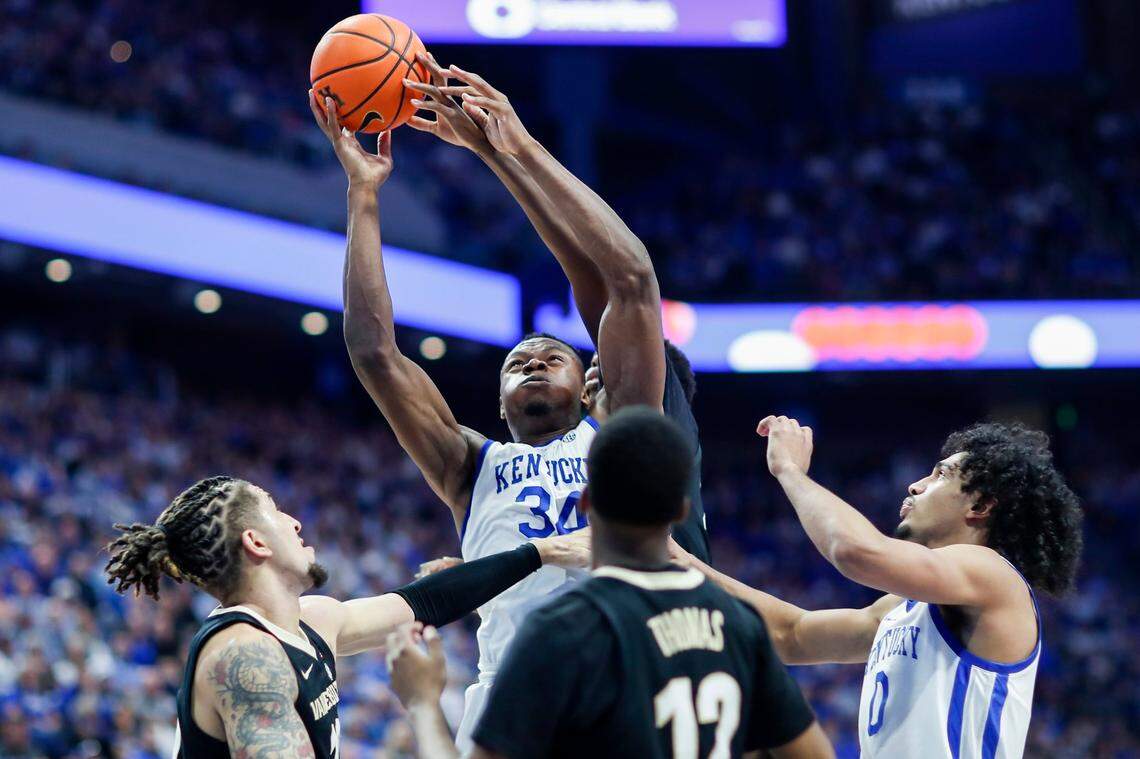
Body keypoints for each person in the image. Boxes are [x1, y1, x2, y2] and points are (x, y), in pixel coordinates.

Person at [310, 51, 670, 747]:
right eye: (517, 363)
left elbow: (630, 278)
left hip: (620, 684)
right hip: (509, 703)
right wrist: (363, 194)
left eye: (553, 357)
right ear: (500, 403)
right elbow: (373, 351)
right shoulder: (471, 465)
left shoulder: (624, 433)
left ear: (589, 380)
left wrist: (514, 147)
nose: (534, 360)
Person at [385, 407, 834, 759]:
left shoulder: (563, 628)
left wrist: (423, 703)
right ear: (680, 511)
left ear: (586, 503)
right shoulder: (739, 625)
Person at [672, 417, 1084, 758]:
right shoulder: (903, 609)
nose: (916, 485)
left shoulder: (995, 576)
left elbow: (853, 551)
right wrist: (673, 559)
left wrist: (790, 471)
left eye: (941, 474)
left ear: (979, 506)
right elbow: (790, 635)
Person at [103, 475, 589, 758]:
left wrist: (540, 552)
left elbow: (425, 602)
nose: (295, 522)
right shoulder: (244, 655)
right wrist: (422, 710)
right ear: (256, 542)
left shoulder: (311, 620)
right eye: (275, 511)